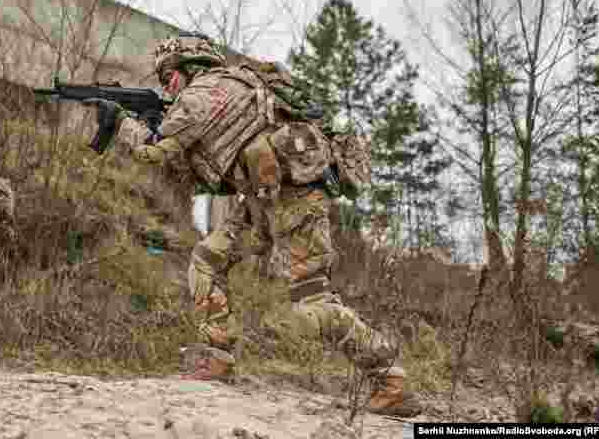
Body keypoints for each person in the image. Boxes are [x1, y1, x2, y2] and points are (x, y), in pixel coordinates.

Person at [86, 33, 422, 417]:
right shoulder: (231, 89)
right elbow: (197, 169)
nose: (166, 88)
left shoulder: (203, 94)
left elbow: (150, 151)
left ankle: (390, 379)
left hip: (297, 201)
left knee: (311, 304)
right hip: (262, 204)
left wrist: (120, 123)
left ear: (190, 68)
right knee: (207, 261)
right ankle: (216, 358)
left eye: (169, 78)